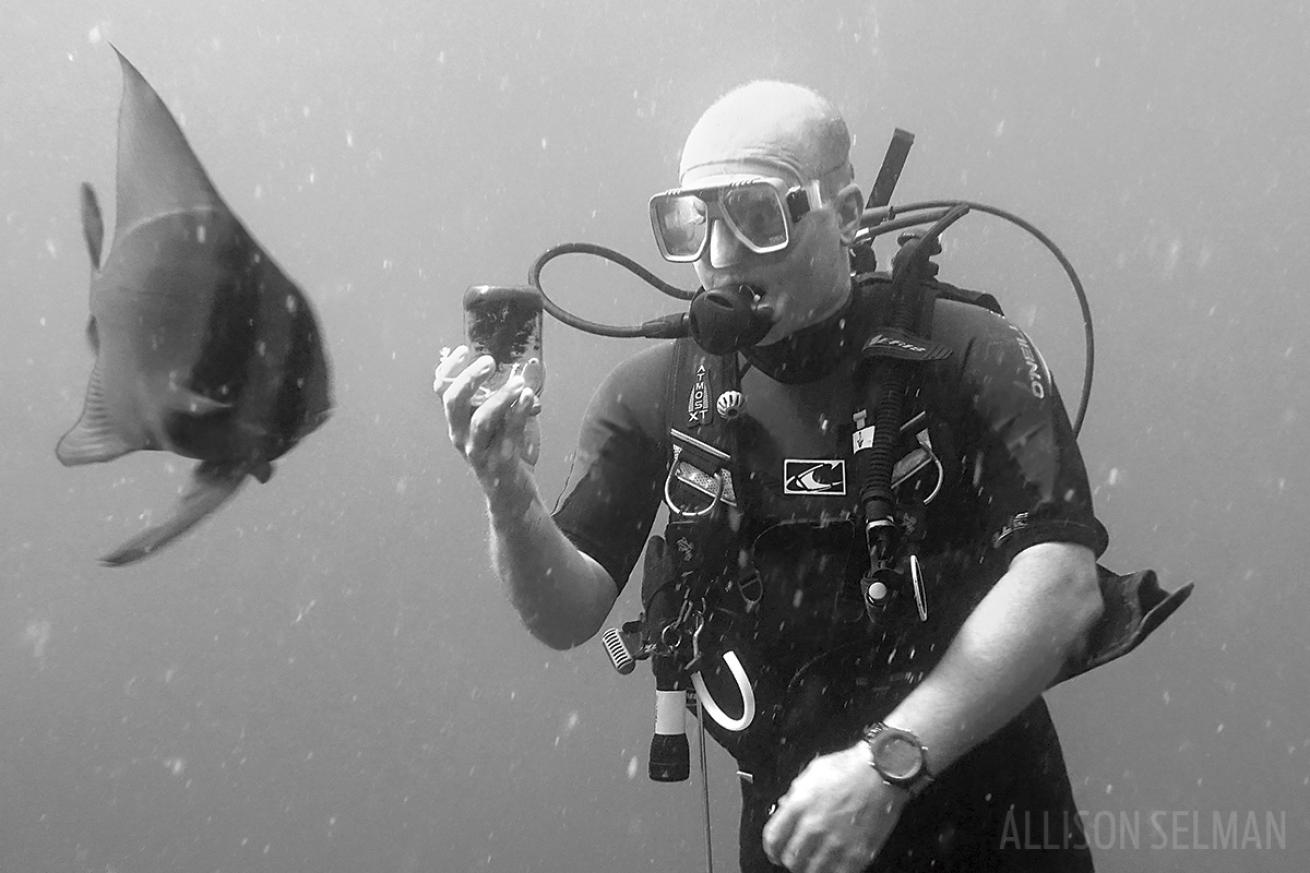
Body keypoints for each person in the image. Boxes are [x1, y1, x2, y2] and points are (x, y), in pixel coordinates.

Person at [437, 81, 1115, 873]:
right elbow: (566, 612)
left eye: (758, 215)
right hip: (790, 836)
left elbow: (1063, 585)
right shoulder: (656, 392)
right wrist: (506, 489)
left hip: (994, 824)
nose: (720, 257)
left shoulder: (972, 352)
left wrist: (886, 766)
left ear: (847, 212)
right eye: (693, 220)